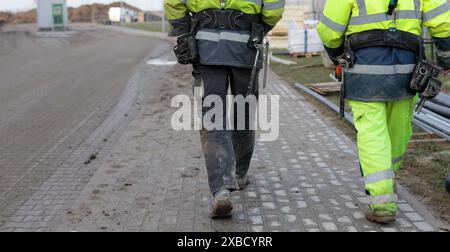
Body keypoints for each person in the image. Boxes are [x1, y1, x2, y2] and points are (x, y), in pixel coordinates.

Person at [317, 0, 450, 224]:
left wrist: (337, 54)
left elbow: (329, 29)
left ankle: (382, 200)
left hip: (363, 69)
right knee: (398, 129)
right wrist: (445, 57)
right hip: (408, 70)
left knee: (372, 133)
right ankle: (388, 180)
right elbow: (443, 21)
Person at [164, 0, 285, 219]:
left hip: (206, 48)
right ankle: (238, 175)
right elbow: (274, 8)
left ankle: (221, 189)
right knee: (244, 114)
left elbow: (173, 3)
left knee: (213, 117)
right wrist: (257, 27)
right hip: (247, 48)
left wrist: (184, 31)